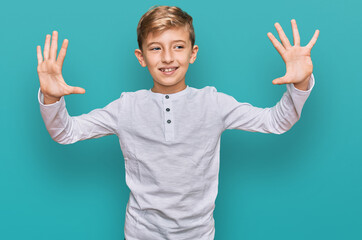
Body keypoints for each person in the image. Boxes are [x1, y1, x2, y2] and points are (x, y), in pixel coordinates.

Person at [36, 5, 319, 240]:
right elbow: (65, 133)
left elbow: (276, 121)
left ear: (193, 53)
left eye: (178, 46)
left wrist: (301, 81)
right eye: (156, 48)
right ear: (141, 57)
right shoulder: (126, 107)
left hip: (198, 234)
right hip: (140, 233)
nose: (168, 57)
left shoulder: (213, 102)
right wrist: (50, 97)